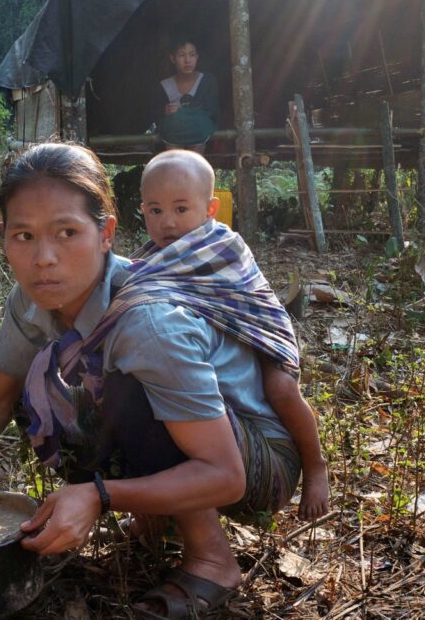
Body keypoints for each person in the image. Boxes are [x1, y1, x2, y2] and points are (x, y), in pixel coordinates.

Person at [0, 143, 301, 619]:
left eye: (67, 232)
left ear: (106, 233)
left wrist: (99, 495)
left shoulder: (147, 322)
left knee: (121, 389)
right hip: (206, 443)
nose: (43, 258)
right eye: (23, 236)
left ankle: (211, 559)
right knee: (38, 396)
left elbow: (226, 475)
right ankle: (161, 512)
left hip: (257, 461)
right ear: (3, 236)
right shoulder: (32, 301)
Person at [137, 150, 330, 519]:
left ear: (210, 209)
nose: (167, 223)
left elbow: (244, 298)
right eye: (155, 210)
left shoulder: (222, 245)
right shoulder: (151, 258)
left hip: (261, 335)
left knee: (280, 389)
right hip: (220, 351)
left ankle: (316, 464)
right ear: (142, 210)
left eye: (181, 209)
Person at [155, 38, 219, 153]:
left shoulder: (207, 81)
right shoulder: (164, 85)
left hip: (199, 133)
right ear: (173, 58)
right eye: (181, 55)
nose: (187, 60)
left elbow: (211, 112)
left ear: (197, 57)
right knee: (172, 124)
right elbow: (157, 116)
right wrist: (165, 111)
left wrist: (181, 113)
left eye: (192, 55)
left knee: (199, 123)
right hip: (173, 134)